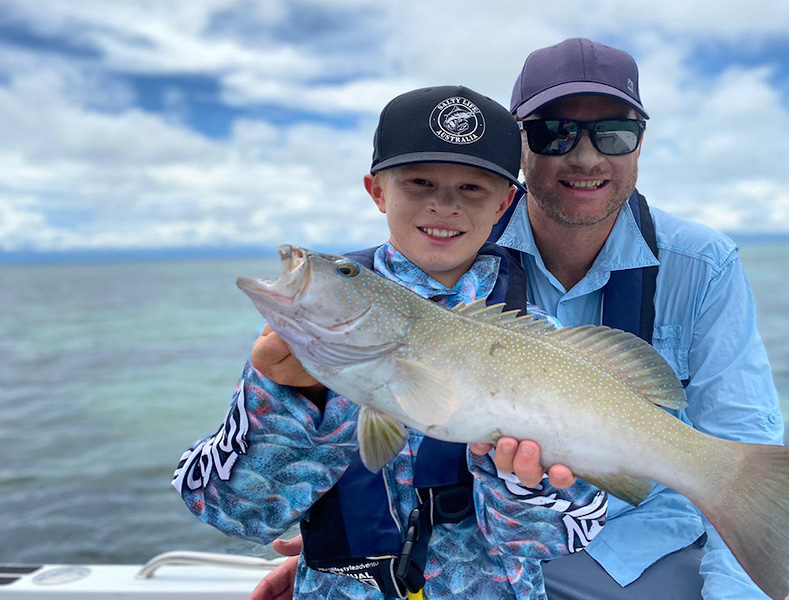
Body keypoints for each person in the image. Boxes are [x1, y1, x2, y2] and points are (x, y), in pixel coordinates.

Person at [252, 38, 785, 600]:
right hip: (482, 547)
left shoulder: (703, 263)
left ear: (640, 143)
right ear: (518, 148)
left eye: (614, 133)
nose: (584, 157)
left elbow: (742, 436)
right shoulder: (452, 244)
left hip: (640, 538)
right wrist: (354, 558)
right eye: (554, 132)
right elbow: (388, 395)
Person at [173, 84, 607, 600]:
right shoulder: (307, 333)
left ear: (503, 204)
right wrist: (294, 401)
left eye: (471, 188)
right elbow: (236, 513)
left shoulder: (545, 345)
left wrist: (519, 484)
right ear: (377, 191)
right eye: (419, 182)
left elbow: (570, 533)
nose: (444, 205)